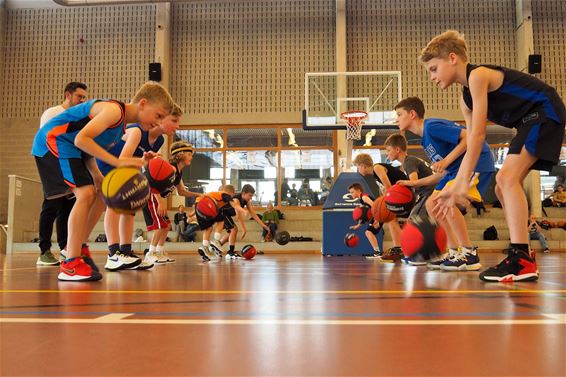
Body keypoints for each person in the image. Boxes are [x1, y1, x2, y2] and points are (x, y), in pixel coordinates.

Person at [421, 30, 565, 281]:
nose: (432, 77)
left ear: (452, 58)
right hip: (528, 121)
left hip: (545, 110)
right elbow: (474, 138)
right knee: (502, 187)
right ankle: (523, 256)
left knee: (506, 180)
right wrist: (459, 183)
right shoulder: (465, 99)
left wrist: (461, 183)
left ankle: (521, 260)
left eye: (434, 68)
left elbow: (477, 136)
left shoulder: (477, 76)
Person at [31, 81, 175, 281]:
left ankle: (77, 246)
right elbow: (81, 139)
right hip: (52, 141)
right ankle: (70, 263)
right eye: (158, 115)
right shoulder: (114, 110)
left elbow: (86, 147)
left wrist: (103, 173)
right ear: (143, 103)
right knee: (86, 193)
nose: (158, 123)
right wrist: (115, 161)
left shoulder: (120, 127)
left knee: (100, 193)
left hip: (71, 147)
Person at [393, 96, 495, 271]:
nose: (397, 119)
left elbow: (469, 137)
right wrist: (414, 183)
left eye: (399, 114)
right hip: (456, 170)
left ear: (412, 114)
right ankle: (454, 252)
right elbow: (442, 174)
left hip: (477, 162)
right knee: (432, 203)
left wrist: (446, 161)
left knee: (443, 202)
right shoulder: (425, 139)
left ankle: (469, 253)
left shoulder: (432, 126)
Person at [96, 105, 183, 270]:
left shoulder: (159, 140)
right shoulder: (137, 131)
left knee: (129, 208)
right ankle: (113, 254)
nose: (177, 126)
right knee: (114, 206)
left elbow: (139, 162)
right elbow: (122, 159)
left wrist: (144, 166)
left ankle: (126, 252)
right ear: (161, 118)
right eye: (174, 121)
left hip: (126, 166)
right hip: (107, 162)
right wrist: (142, 163)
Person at [36, 82, 88, 266]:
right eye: (79, 96)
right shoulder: (52, 113)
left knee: (67, 210)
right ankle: (44, 252)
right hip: (52, 163)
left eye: (84, 97)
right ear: (68, 95)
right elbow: (48, 141)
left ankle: (66, 247)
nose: (82, 100)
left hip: (69, 162)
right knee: (51, 206)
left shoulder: (78, 117)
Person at [142, 140, 202, 265]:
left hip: (158, 198)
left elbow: (182, 191)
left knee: (166, 226)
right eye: (189, 154)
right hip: (152, 197)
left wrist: (199, 194)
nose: (192, 157)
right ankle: (150, 253)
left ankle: (159, 251)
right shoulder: (170, 168)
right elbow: (152, 183)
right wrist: (161, 202)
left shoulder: (179, 172)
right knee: (160, 226)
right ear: (180, 154)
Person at [384, 133, 435, 265]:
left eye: (388, 150)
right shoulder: (409, 161)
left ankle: (422, 256)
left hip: (429, 192)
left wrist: (404, 183)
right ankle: (426, 254)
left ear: (397, 150)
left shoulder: (409, 161)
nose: (387, 154)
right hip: (428, 193)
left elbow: (414, 181)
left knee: (414, 221)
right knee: (418, 222)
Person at [352, 153, 407, 262]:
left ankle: (401, 249)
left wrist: (385, 205)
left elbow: (388, 187)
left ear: (364, 165)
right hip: (401, 193)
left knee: (392, 218)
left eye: (358, 166)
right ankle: (399, 249)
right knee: (392, 219)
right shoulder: (375, 176)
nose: (358, 169)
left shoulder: (377, 168)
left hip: (405, 192)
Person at [213, 184, 271, 259]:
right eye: (250, 195)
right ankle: (230, 253)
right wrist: (244, 229)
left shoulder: (246, 201)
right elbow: (239, 217)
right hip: (221, 213)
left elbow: (254, 215)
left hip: (226, 214)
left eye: (252, 196)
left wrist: (265, 226)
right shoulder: (236, 199)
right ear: (243, 193)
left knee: (231, 233)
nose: (251, 198)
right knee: (234, 229)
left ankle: (215, 246)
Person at [348, 183, 382, 257]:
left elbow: (375, 206)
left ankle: (378, 252)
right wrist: (358, 225)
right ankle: (377, 252)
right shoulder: (361, 200)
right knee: (369, 232)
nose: (351, 194)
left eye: (352, 192)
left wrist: (377, 219)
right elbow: (364, 215)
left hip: (381, 213)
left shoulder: (364, 197)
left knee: (368, 232)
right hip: (378, 214)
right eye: (350, 192)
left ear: (358, 191)